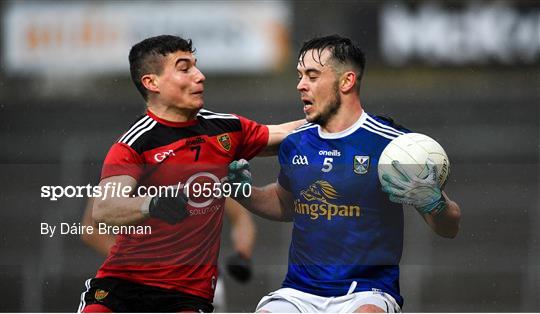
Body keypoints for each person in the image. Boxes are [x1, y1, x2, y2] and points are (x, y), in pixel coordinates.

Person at [227, 35, 462, 313]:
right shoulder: (296, 141)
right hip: (299, 292)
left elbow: (449, 227)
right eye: (300, 75)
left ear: (347, 81)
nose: (300, 85)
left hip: (366, 293)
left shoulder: (394, 146)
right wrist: (242, 191)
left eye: (312, 76)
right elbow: (286, 203)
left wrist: (434, 202)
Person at [77, 34, 304, 313]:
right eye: (185, 68)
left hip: (187, 296)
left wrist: (339, 116)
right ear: (152, 83)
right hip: (122, 286)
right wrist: (155, 204)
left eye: (196, 66)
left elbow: (287, 134)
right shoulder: (135, 144)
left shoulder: (225, 129)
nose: (200, 75)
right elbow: (103, 210)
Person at [80, 197, 256, 312]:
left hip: (192, 283)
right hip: (134, 282)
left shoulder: (207, 168)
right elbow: (90, 227)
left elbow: (241, 217)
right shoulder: (127, 161)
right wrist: (135, 258)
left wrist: (242, 253)